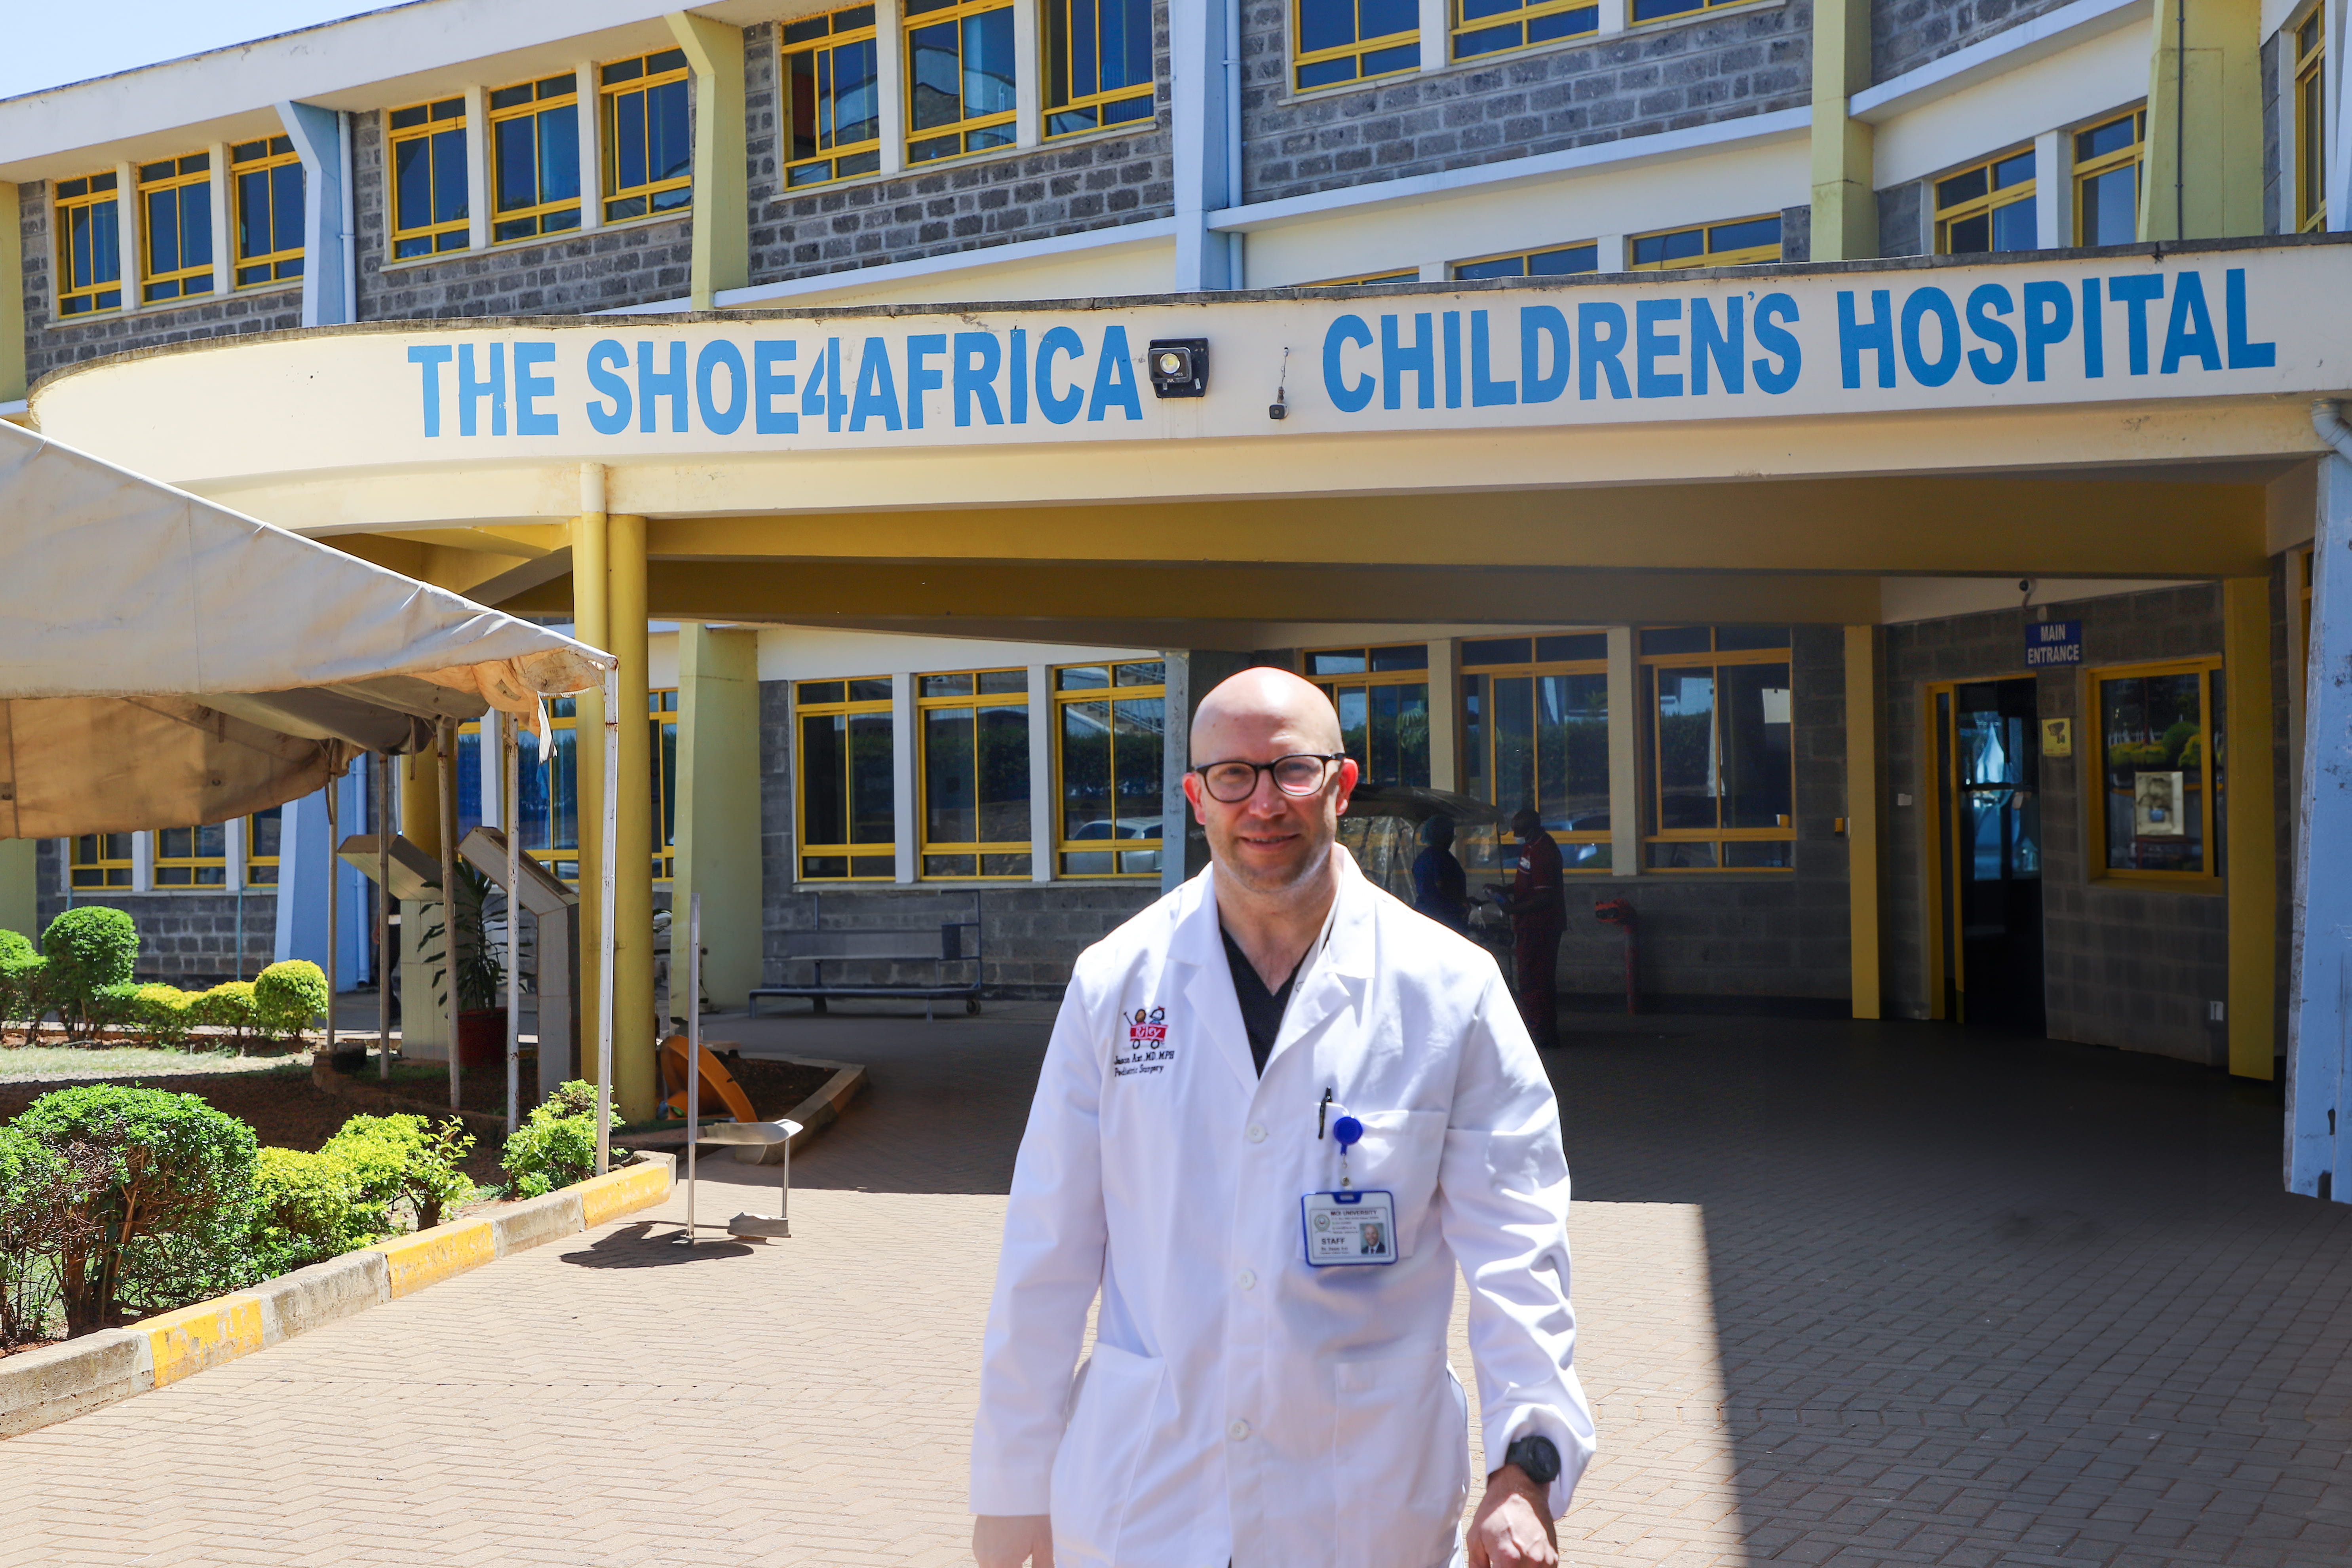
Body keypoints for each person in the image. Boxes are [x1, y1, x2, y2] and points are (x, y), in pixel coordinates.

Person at [971, 667, 1593, 1568]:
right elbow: (1046, 1248)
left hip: (1361, 1503)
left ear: (1339, 784)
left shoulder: (1449, 990)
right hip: (1146, 1495)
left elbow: (1518, 1253)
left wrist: (1524, 1466)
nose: (1263, 800)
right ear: (1195, 797)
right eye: (1233, 774)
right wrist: (1011, 1485)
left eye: (1292, 769)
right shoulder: (1115, 983)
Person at [1493, 808, 1565, 1051]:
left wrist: (1514, 909)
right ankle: (1536, 1028)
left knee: (1536, 979)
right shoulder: (1531, 847)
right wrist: (1505, 890)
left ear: (1531, 829)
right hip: (1528, 925)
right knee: (1529, 978)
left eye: (1518, 831)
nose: (1515, 835)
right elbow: (1528, 882)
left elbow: (1545, 896)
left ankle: (1543, 1034)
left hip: (1541, 927)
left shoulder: (1544, 851)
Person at [1411, 814, 1470, 933]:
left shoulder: (1424, 857)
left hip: (1425, 913)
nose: (1452, 838)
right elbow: (1441, 884)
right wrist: (1462, 901)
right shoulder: (1440, 857)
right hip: (1443, 916)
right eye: (1450, 834)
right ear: (1443, 835)